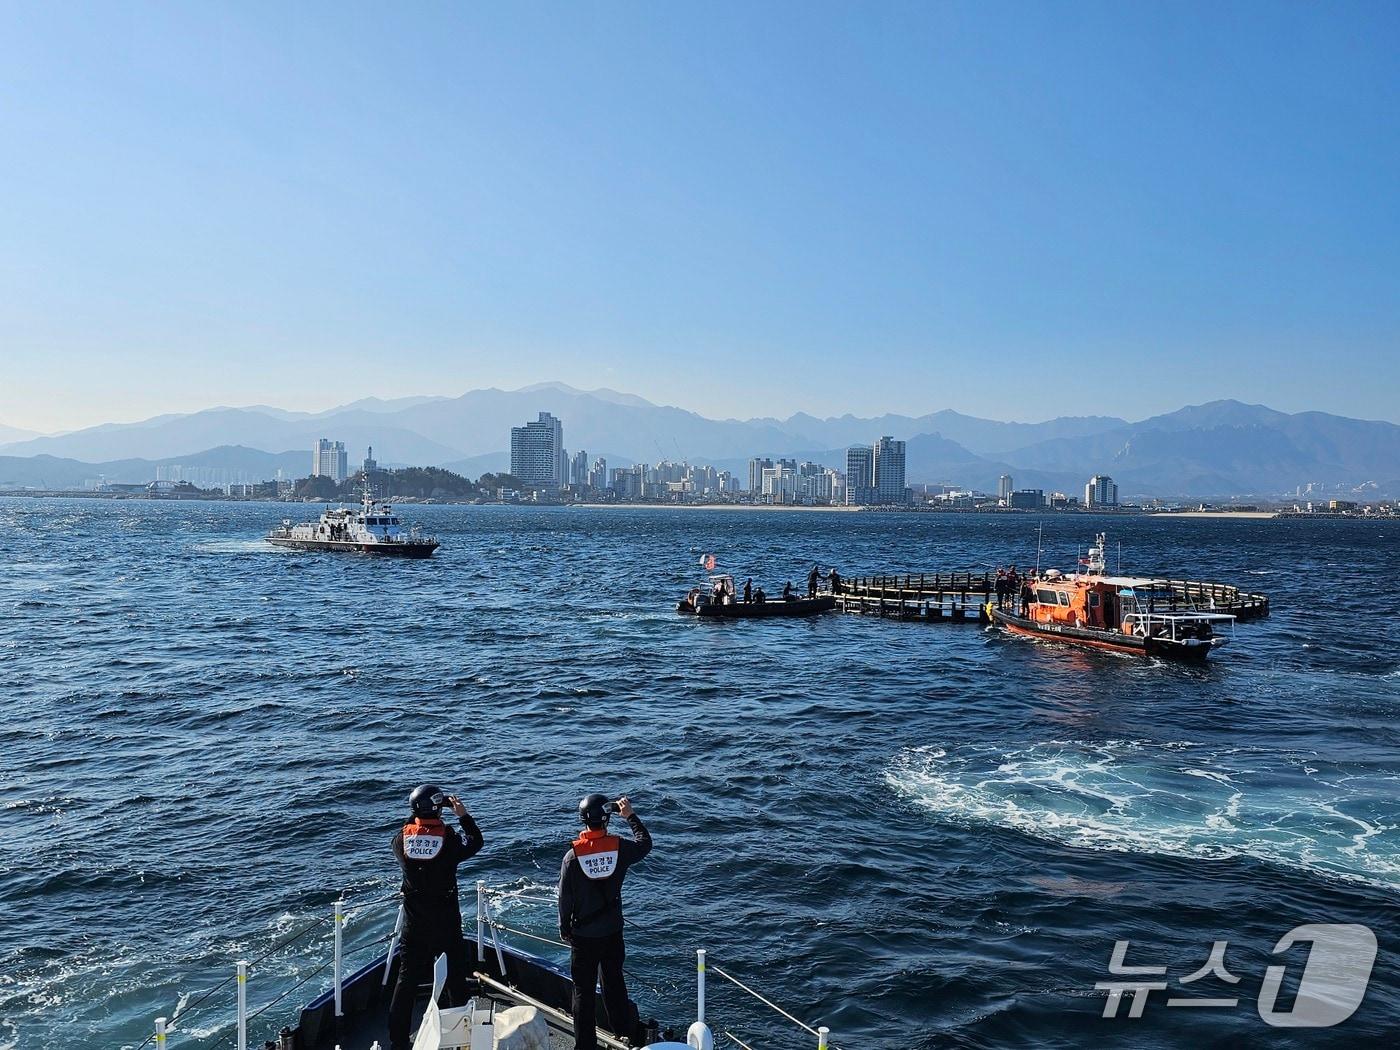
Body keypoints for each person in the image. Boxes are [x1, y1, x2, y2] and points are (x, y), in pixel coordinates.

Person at [388, 785, 484, 1050]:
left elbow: (407, 829)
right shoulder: (450, 839)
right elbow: (475, 841)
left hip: (414, 925)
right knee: (455, 978)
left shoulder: (401, 841)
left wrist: (416, 817)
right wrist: (463, 815)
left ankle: (397, 1041)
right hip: (446, 924)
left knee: (406, 981)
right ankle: (462, 1038)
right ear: (439, 809)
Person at [558, 794, 653, 1050]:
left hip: (583, 936)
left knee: (583, 992)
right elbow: (645, 844)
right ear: (607, 819)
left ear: (583, 820)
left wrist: (565, 928)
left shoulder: (572, 857)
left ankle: (585, 1046)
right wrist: (630, 816)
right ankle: (625, 1033)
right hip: (612, 931)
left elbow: (564, 899)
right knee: (614, 982)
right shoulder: (620, 848)